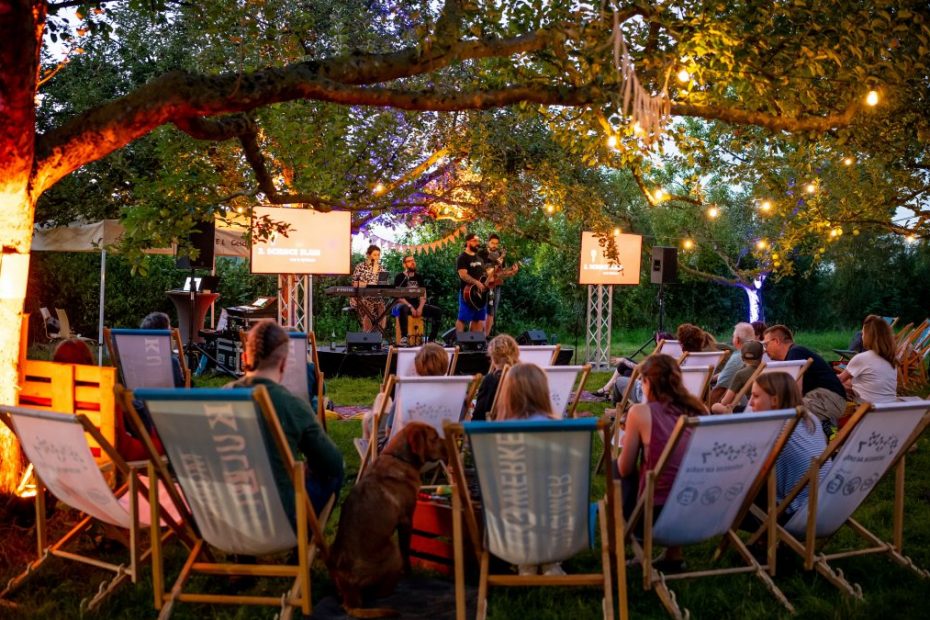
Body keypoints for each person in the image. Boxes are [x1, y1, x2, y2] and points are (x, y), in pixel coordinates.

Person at [226, 320, 344, 520]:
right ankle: (306, 535)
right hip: (278, 519)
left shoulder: (216, 399)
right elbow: (333, 464)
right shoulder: (293, 405)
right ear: (284, 364)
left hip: (224, 515)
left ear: (244, 357)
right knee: (332, 475)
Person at [618, 354, 707, 571]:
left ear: (647, 381)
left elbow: (625, 468)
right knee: (677, 470)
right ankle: (673, 554)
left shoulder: (640, 412)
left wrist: (628, 440)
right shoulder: (699, 410)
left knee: (617, 468)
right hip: (698, 508)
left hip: (655, 514)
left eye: (642, 381)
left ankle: (640, 546)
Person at [493, 363, 561, 576]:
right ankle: (550, 562)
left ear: (508, 394)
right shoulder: (561, 429)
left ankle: (525, 561)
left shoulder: (498, 432)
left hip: (511, 515)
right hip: (560, 514)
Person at [748, 372, 828, 519]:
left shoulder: (773, 428)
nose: (750, 403)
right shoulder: (810, 418)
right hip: (828, 504)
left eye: (755, 396)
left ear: (774, 400)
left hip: (797, 513)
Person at [362, 343, 450, 447]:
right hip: (439, 449)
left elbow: (389, 432)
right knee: (382, 398)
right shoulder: (455, 394)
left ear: (418, 367)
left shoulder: (408, 393)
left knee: (368, 416)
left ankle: (372, 454)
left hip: (400, 450)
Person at [762, 325, 847, 431]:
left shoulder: (795, 352)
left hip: (828, 398)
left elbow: (796, 390)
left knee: (787, 414)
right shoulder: (795, 353)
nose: (765, 350)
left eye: (766, 344)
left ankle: (824, 431)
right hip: (828, 398)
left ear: (776, 341)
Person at [838, 315, 897, 403]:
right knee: (848, 383)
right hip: (888, 406)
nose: (862, 336)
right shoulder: (891, 360)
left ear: (868, 336)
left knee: (834, 385)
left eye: (863, 333)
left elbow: (839, 380)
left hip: (866, 407)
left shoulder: (862, 358)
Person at [392, 254, 443, 346]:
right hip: (405, 305)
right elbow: (399, 297)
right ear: (404, 264)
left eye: (413, 260)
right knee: (403, 309)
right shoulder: (399, 277)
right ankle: (404, 338)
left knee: (437, 311)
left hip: (417, 305)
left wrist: (420, 307)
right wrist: (410, 307)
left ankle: (432, 339)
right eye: (409, 261)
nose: (412, 263)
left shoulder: (419, 277)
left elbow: (423, 294)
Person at [479, 234, 520, 337]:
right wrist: (495, 265)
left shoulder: (500, 255)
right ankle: (476, 337)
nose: (494, 245)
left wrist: (511, 272)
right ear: (488, 242)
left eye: (496, 243)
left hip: (495, 286)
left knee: (491, 312)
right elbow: (484, 271)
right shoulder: (481, 254)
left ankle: (485, 338)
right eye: (492, 243)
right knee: (480, 311)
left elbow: (501, 273)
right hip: (482, 285)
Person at [471, 334, 520, 421]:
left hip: (496, 427)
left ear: (493, 358)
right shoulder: (524, 376)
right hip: (522, 426)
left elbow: (478, 417)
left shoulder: (491, 380)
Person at [711, 340, 763, 413]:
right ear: (762, 356)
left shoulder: (741, 374)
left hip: (751, 410)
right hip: (767, 408)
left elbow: (725, 401)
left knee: (715, 406)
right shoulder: (768, 369)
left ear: (742, 357)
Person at [711, 322, 757, 403]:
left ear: (737, 339)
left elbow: (719, 391)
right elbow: (732, 372)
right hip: (754, 401)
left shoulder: (738, 357)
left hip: (738, 405)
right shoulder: (757, 354)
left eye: (733, 336)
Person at [139, 311, 185, 388]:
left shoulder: (134, 363)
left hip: (137, 395)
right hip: (166, 395)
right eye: (169, 330)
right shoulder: (171, 363)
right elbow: (179, 390)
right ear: (163, 337)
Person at [455, 233, 488, 333]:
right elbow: (463, 275)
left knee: (477, 319)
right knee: (462, 318)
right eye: (475, 241)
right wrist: (476, 282)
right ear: (468, 242)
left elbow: (484, 277)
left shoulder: (480, 259)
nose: (477, 243)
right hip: (467, 293)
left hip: (479, 295)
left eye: (478, 241)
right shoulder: (462, 257)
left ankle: (474, 341)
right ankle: (460, 340)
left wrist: (505, 273)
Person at [351, 244, 387, 333]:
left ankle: (379, 335)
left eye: (378, 255)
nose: (377, 257)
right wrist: (369, 283)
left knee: (382, 307)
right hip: (361, 297)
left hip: (375, 297)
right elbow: (355, 283)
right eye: (375, 255)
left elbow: (382, 284)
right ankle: (367, 335)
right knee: (368, 306)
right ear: (368, 255)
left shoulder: (381, 268)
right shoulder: (360, 266)